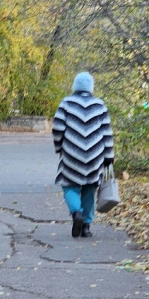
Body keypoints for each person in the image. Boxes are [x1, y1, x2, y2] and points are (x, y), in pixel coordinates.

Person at [52, 72, 114, 238]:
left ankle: (76, 213)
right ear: (90, 87)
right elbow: (106, 133)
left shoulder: (66, 103)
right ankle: (86, 226)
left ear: (75, 86)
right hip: (95, 156)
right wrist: (109, 156)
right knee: (89, 189)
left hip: (72, 154)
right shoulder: (99, 105)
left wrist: (59, 147)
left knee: (69, 185)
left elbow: (57, 128)